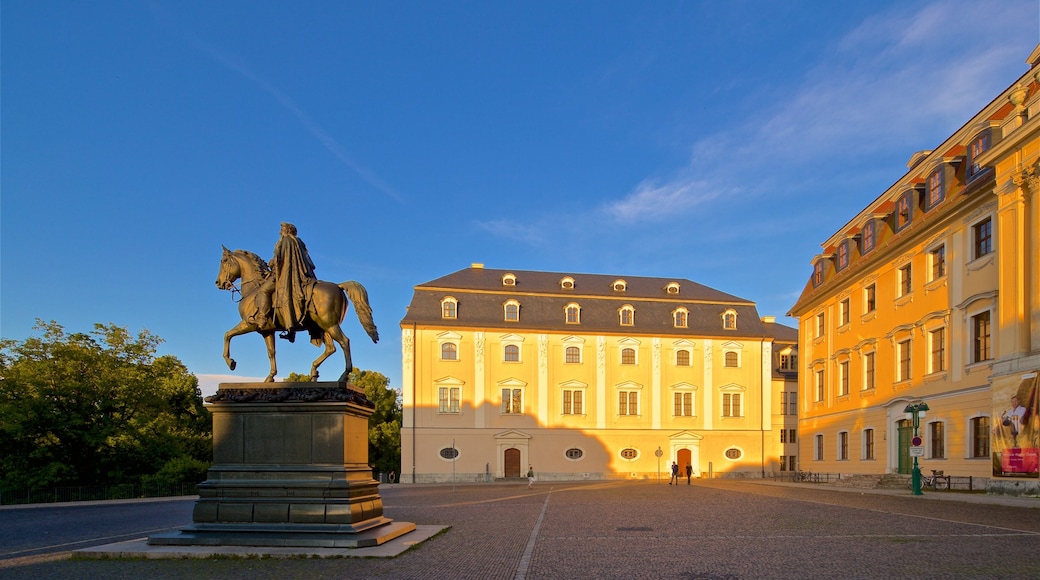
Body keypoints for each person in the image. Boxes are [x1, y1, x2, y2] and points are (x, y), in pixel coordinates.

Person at [254, 222, 317, 341]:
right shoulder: (299, 242)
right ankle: (291, 328)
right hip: (302, 275)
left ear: (287, 230)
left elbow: (279, 259)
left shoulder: (284, 242)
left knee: (263, 290)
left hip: (286, 275)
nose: (280, 232)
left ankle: (262, 318)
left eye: (281, 229)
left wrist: (271, 263)